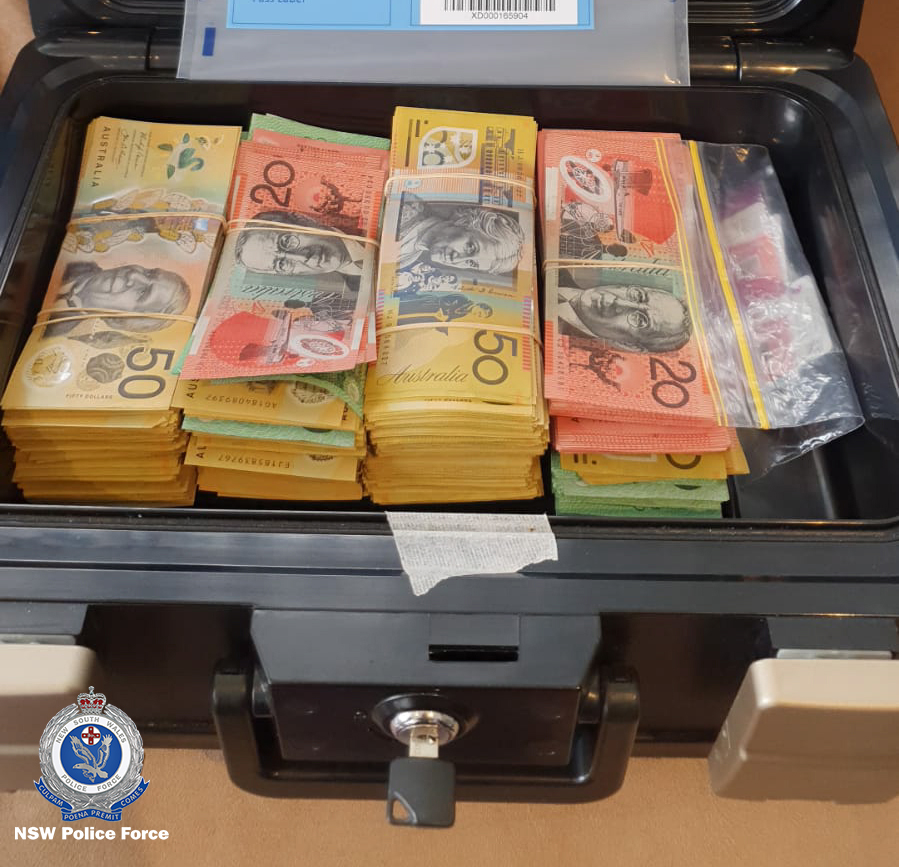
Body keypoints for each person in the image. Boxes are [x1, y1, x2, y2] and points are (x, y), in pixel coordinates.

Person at [45, 261, 190, 337]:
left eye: (142, 292)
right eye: (149, 273)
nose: (134, 275)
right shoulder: (75, 259)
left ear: (121, 319)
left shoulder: (54, 332)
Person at [397, 196, 524, 275]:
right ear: (465, 221)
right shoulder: (406, 207)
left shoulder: (409, 258)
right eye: (470, 247)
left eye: (471, 263)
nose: (456, 260)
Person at [557, 283, 691, 353]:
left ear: (628, 345)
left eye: (639, 320)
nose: (618, 302)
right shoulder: (557, 271)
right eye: (638, 296)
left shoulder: (563, 347)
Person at [234, 210, 365, 277]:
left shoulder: (366, 224)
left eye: (286, 241)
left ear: (303, 220)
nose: (302, 257)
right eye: (281, 264)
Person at [396, 293, 493, 326]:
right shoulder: (463, 298)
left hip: (435, 314)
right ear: (479, 305)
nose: (477, 315)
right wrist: (444, 313)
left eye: (480, 316)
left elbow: (450, 317)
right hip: (432, 304)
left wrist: (446, 319)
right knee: (406, 307)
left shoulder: (464, 313)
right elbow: (445, 300)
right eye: (480, 313)